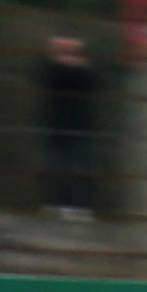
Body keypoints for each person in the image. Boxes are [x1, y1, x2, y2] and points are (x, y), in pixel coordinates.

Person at [35, 33, 103, 220]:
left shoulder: (84, 70)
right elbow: (46, 79)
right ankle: (54, 204)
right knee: (55, 165)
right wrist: (58, 59)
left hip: (80, 126)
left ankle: (80, 207)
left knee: (80, 166)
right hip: (56, 124)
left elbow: (91, 84)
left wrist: (74, 61)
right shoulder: (51, 69)